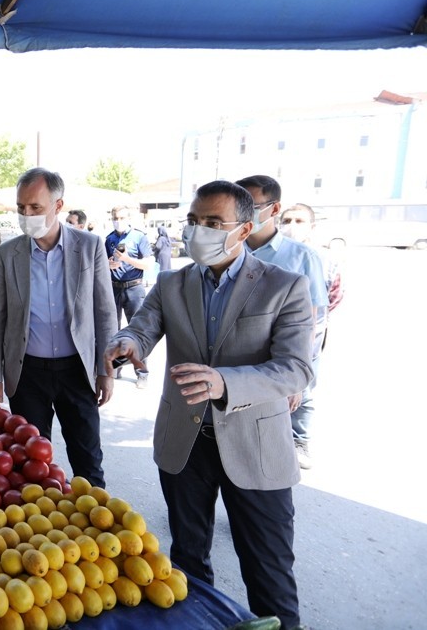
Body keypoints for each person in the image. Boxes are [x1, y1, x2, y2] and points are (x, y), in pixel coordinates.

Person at [104, 180, 313, 629]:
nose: (200, 231)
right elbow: (142, 327)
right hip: (186, 442)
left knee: (270, 576)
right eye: (195, 221)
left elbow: (297, 369)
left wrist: (224, 382)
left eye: (214, 223)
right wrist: (126, 342)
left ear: (245, 228)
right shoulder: (171, 283)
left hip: (256, 447)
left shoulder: (286, 287)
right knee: (187, 566)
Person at [0, 169, 118, 487]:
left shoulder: (89, 247)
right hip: (27, 372)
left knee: (88, 460)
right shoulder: (6, 254)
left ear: (58, 206)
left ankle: (96, 531)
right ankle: (42, 531)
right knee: (32, 463)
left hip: (78, 370)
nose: (27, 215)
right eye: (21, 208)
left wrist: (106, 369)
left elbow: (105, 313)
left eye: (35, 208)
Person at [236, 175, 328, 470]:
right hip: (239, 362)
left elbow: (311, 320)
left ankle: (298, 440)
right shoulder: (230, 251)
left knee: (274, 454)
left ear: (274, 209)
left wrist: (296, 377)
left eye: (250, 204)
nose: (241, 211)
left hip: (281, 360)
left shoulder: (301, 256)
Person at [105, 205, 153, 388]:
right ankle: (115, 368)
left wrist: (127, 260)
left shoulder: (139, 237)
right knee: (112, 330)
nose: (118, 221)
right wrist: (108, 264)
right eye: (115, 217)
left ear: (129, 217)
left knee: (138, 333)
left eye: (122, 217)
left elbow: (148, 264)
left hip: (134, 288)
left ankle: (141, 372)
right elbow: (103, 262)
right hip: (113, 288)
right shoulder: (109, 238)